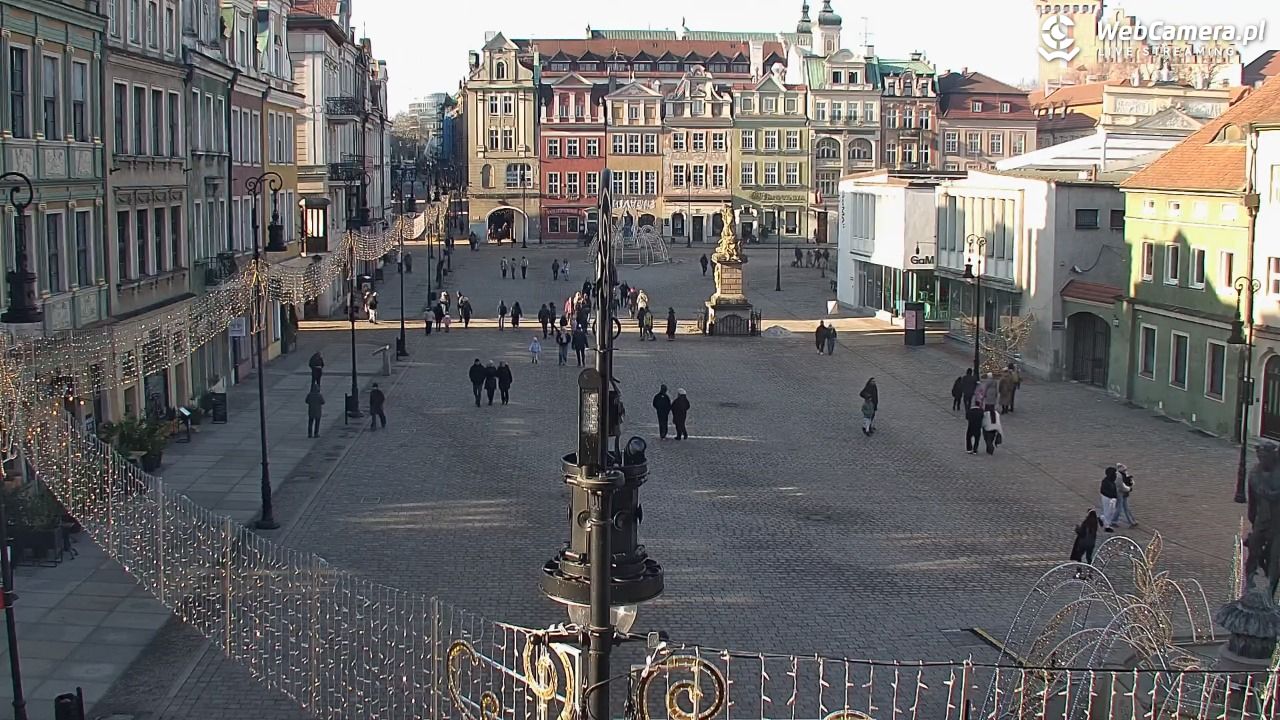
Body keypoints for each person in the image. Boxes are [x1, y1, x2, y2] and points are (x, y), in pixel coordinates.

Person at [1098, 466, 1119, 532]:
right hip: (1107, 498)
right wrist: (1111, 496)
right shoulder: (1105, 481)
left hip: (1112, 498)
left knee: (1111, 511)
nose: (1115, 475)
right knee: (1108, 511)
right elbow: (1103, 491)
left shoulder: (1112, 481)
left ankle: (1102, 518)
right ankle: (1107, 526)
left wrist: (1115, 497)